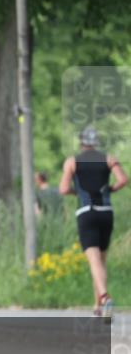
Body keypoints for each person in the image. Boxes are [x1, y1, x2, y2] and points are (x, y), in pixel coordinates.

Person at [59, 127, 127, 321]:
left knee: (94, 261)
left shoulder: (72, 162)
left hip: (86, 212)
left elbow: (63, 189)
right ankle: (97, 305)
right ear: (96, 142)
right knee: (101, 261)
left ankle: (105, 298)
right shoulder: (108, 158)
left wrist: (78, 193)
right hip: (106, 212)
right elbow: (123, 179)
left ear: (82, 143)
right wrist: (110, 189)